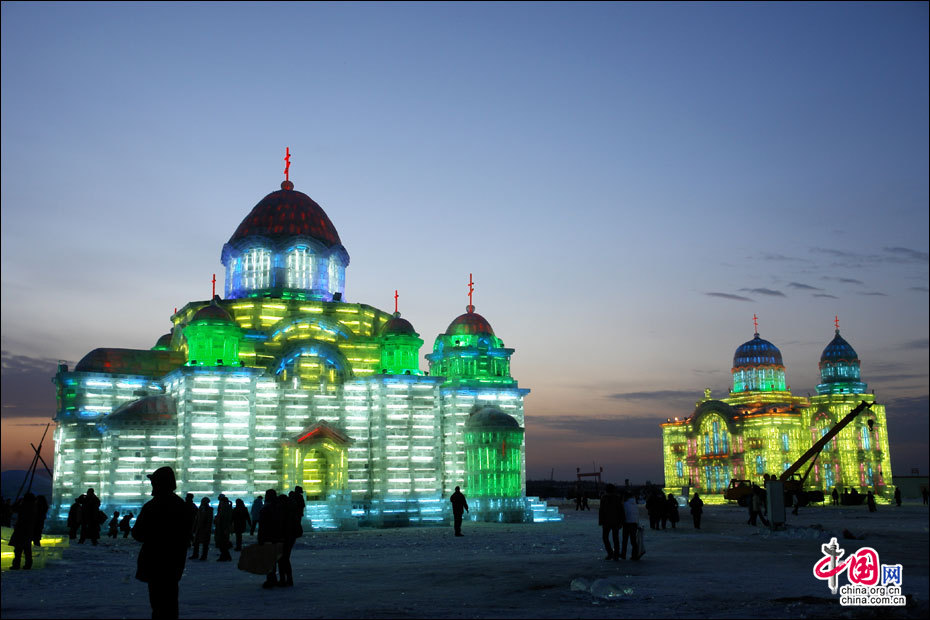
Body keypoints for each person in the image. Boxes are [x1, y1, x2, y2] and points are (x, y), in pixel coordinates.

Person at [132, 466, 191, 620]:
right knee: (171, 604)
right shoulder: (181, 505)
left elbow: (138, 533)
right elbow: (185, 534)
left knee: (158, 605)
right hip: (174, 563)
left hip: (155, 563)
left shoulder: (152, 506)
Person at [258, 489, 282, 589]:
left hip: (268, 536)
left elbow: (263, 525)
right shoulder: (279, 507)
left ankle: (271, 579)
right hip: (277, 536)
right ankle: (276, 578)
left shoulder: (267, 508)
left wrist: (261, 537)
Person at [279, 491, 303, 587]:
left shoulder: (284, 513)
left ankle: (284, 579)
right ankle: (287, 578)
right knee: (285, 558)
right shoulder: (292, 512)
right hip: (290, 537)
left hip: (285, 537)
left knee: (282, 559)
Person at [10, 493, 37, 570]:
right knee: (27, 549)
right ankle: (28, 564)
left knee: (18, 549)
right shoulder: (34, 506)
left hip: (21, 529)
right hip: (29, 530)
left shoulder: (24, 506)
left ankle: (16, 564)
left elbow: (13, 509)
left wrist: (18, 501)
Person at [598, 484, 624, 561]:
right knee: (615, 538)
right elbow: (621, 511)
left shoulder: (604, 498)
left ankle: (610, 553)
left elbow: (601, 510)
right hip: (615, 521)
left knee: (605, 538)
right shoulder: (617, 498)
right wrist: (621, 521)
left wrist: (601, 521)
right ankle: (615, 554)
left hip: (606, 522)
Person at [620, 491, 640, 560]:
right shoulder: (634, 504)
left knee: (625, 540)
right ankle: (635, 555)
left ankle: (623, 554)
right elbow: (637, 514)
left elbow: (623, 514)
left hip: (627, 523)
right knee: (633, 540)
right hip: (634, 523)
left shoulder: (625, 504)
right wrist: (637, 523)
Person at [214, 495, 233, 562]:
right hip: (222, 527)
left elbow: (224, 519)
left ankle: (225, 556)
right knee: (223, 542)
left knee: (222, 543)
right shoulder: (226, 507)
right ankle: (226, 556)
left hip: (223, 527)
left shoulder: (225, 508)